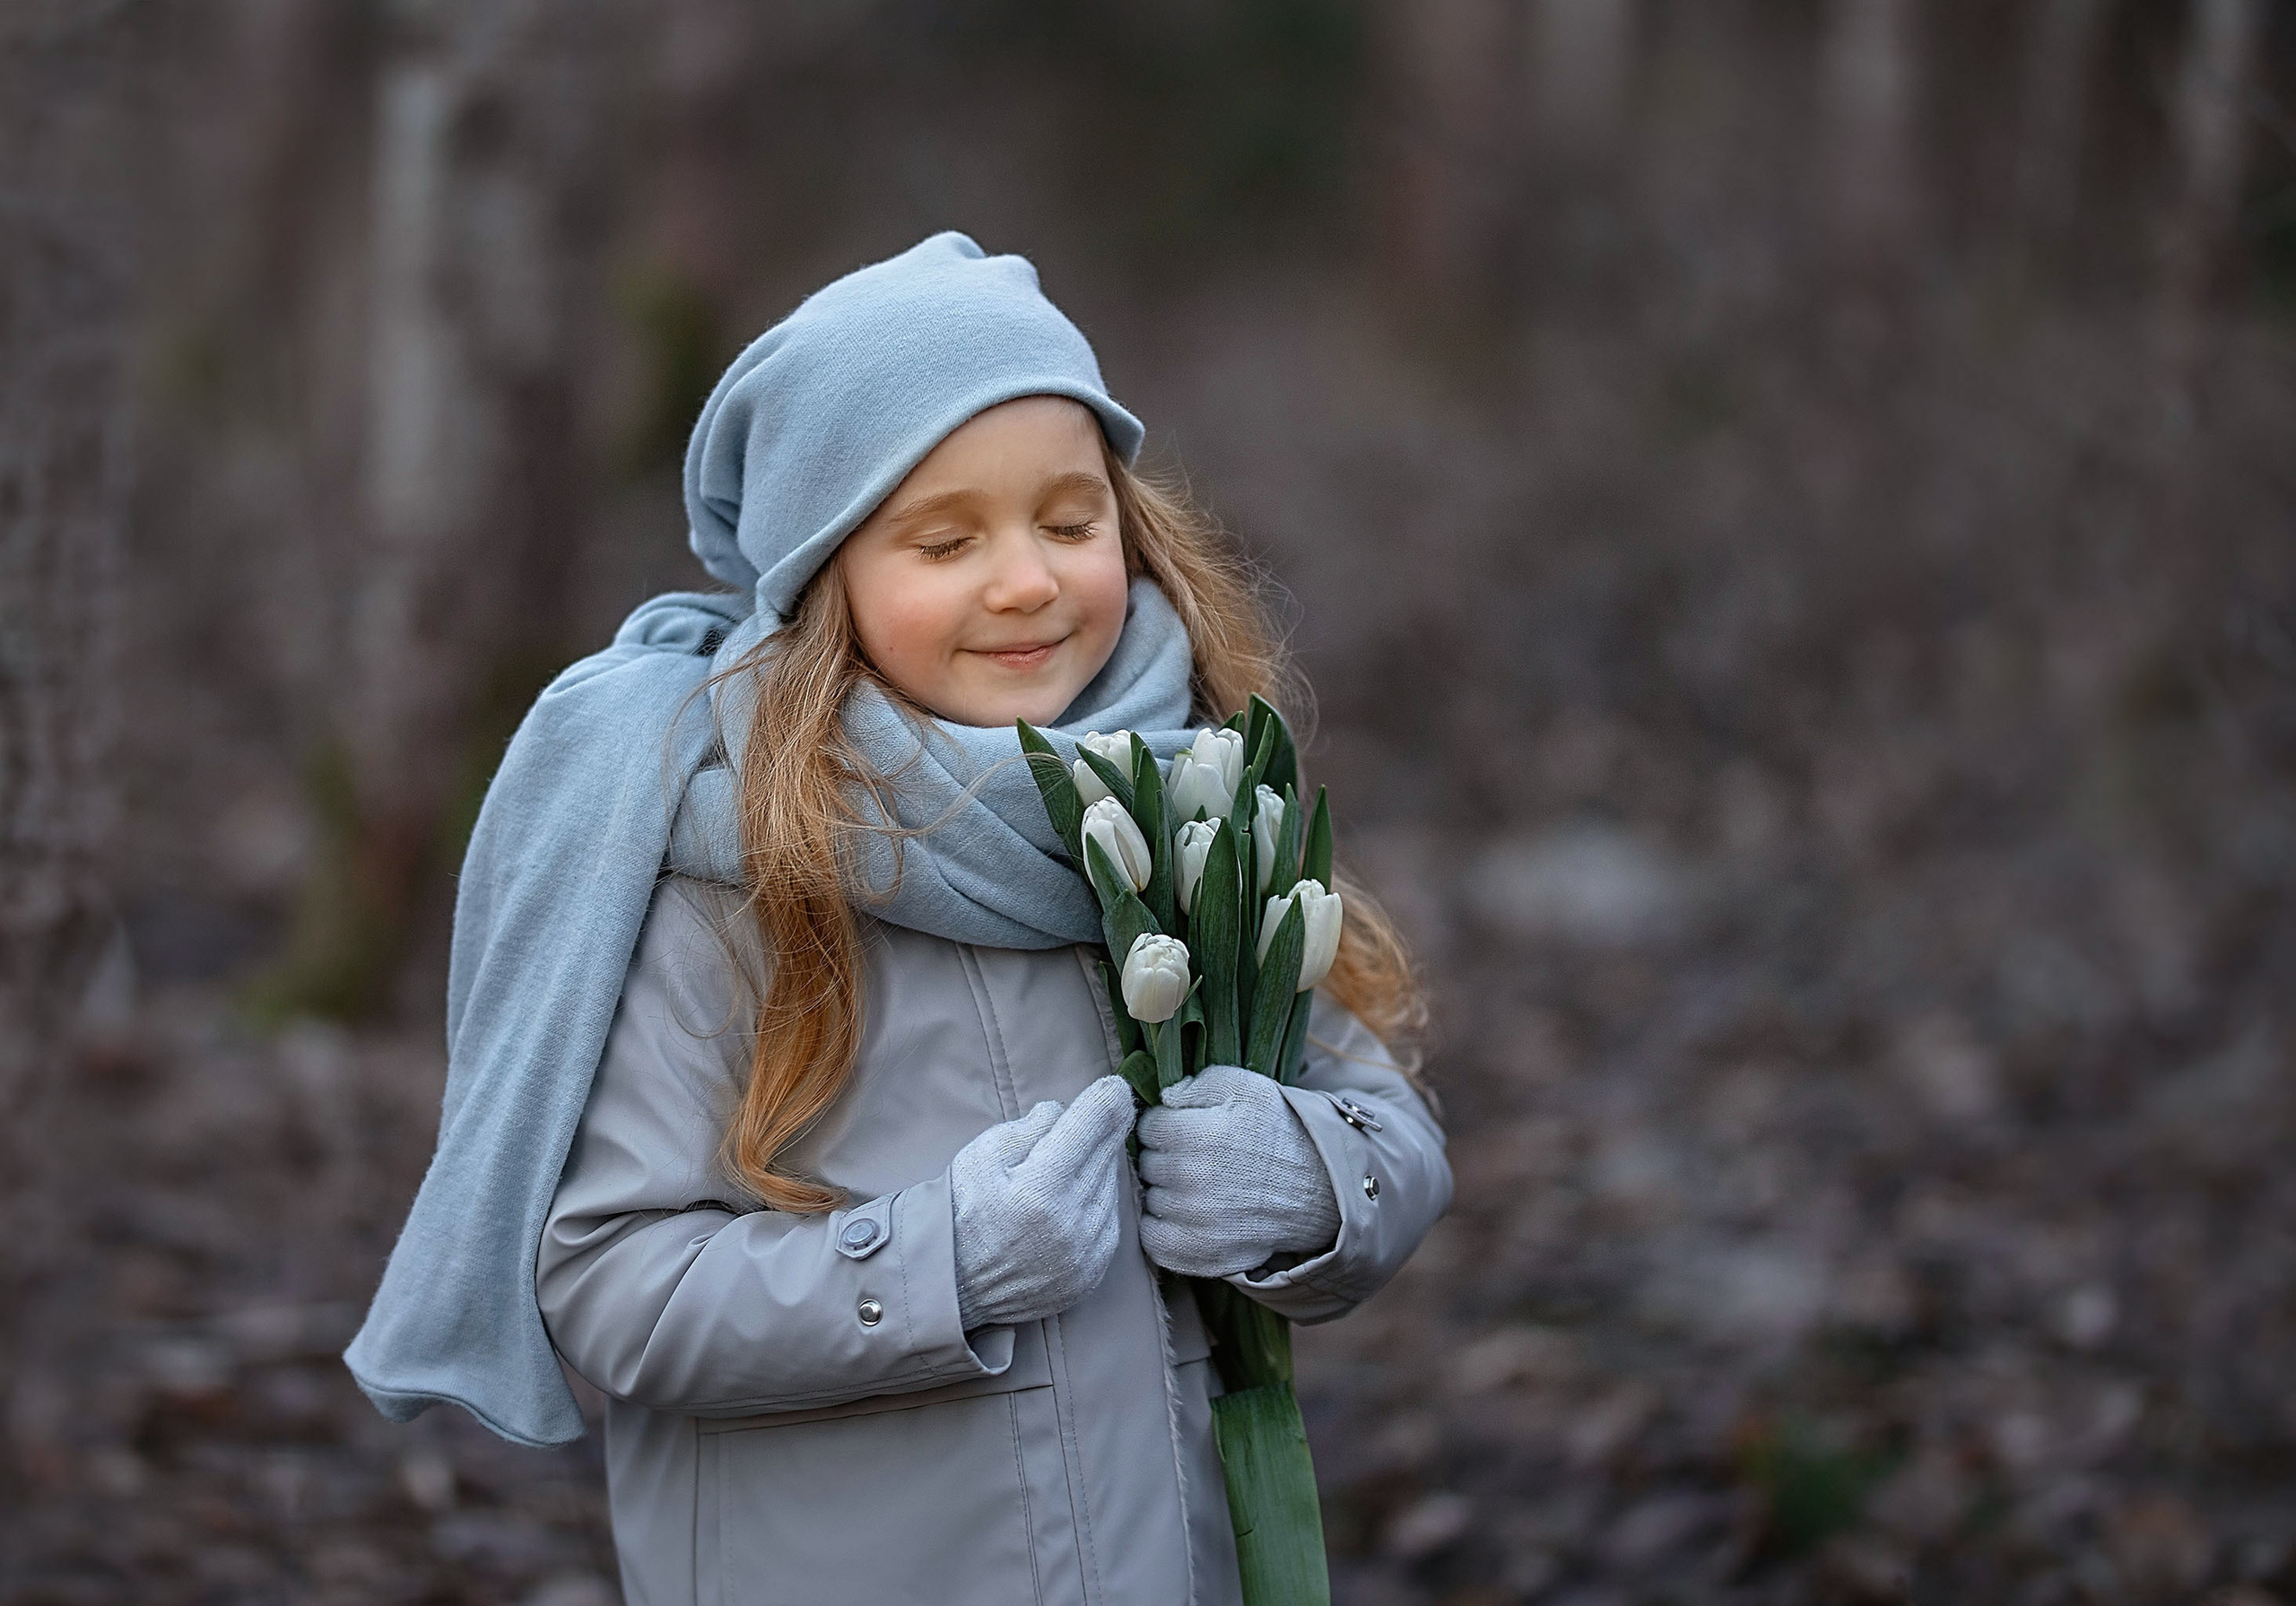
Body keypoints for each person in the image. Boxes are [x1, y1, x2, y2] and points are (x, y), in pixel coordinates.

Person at [345, 233, 1451, 1606]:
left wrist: (1310, 1182)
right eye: (944, 541)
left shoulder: (1192, 792)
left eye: (1068, 519)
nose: (1028, 582)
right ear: (830, 582)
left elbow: (1378, 1115)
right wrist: (944, 1266)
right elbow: (611, 1282)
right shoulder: (725, 865)